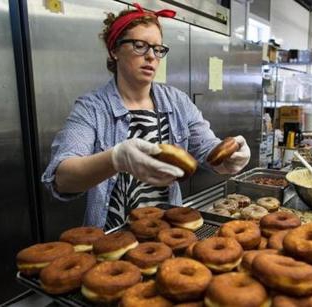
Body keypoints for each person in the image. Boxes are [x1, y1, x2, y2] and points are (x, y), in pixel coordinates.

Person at [41, 3, 250, 230]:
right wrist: (115, 159)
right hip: (111, 238)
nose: (151, 56)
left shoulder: (177, 101)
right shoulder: (92, 108)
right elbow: (61, 180)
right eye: (140, 46)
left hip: (168, 232)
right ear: (114, 50)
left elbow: (209, 153)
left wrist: (231, 161)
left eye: (158, 49)